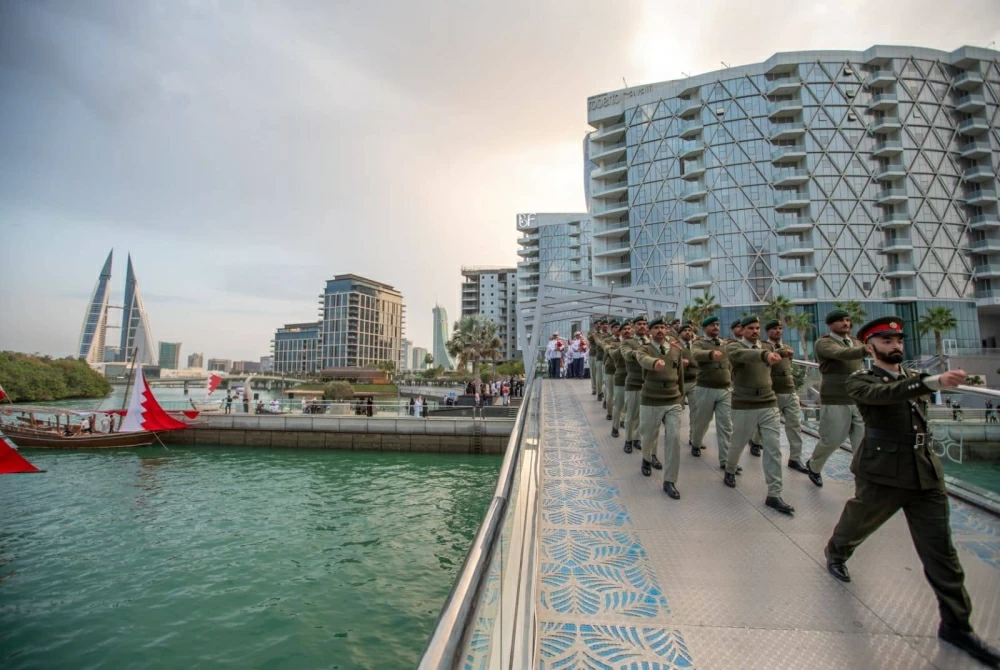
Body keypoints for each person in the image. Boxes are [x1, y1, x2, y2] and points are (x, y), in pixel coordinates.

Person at [825, 317, 999, 668]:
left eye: (898, 340)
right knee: (860, 521)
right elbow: (885, 395)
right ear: (870, 347)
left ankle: (956, 625)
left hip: (925, 471)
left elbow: (908, 393)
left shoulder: (910, 378)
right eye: (887, 341)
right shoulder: (860, 380)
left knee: (942, 553)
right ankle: (836, 551)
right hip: (883, 472)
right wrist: (933, 381)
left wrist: (927, 382)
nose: (895, 346)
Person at [723, 315, 795, 515]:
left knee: (773, 448)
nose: (755, 331)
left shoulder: (767, 347)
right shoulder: (733, 347)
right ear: (742, 330)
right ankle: (730, 469)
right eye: (751, 328)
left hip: (768, 402)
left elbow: (775, 353)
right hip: (744, 404)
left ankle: (774, 493)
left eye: (757, 328)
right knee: (737, 443)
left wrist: (783, 352)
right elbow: (747, 356)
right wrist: (765, 356)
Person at [806, 310, 868, 487]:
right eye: (841, 320)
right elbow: (842, 354)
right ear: (830, 324)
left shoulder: (856, 342)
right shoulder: (824, 343)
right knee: (832, 439)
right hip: (836, 399)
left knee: (863, 444)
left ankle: (863, 482)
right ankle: (814, 466)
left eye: (848, 320)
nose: (845, 323)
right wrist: (868, 348)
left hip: (858, 399)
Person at [636, 317, 685, 498]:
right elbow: (643, 359)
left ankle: (670, 481)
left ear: (666, 330)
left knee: (673, 438)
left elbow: (680, 375)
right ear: (650, 332)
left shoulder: (676, 350)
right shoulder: (644, 349)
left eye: (662, 327)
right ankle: (647, 458)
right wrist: (655, 363)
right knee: (648, 436)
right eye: (655, 327)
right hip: (651, 400)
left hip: (672, 400)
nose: (660, 330)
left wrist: (681, 397)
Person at [690, 316, 736, 473]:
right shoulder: (699, 343)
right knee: (702, 421)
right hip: (705, 388)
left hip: (725, 389)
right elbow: (695, 354)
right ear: (705, 329)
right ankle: (695, 443)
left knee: (725, 425)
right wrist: (710, 354)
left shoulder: (725, 344)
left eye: (717, 324)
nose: (716, 327)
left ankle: (726, 461)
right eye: (712, 325)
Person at [764, 319, 809, 475]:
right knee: (770, 426)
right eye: (774, 329)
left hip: (789, 390)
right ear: (768, 331)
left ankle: (795, 458)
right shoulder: (763, 347)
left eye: (780, 328)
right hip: (772, 391)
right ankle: (756, 442)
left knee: (795, 425)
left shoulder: (788, 348)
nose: (778, 331)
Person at [620, 315, 649, 454]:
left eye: (644, 324)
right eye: (639, 324)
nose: (642, 326)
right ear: (634, 327)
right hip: (634, 382)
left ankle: (637, 438)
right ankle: (628, 440)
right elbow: (627, 355)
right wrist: (643, 353)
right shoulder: (627, 342)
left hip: (649, 384)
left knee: (644, 416)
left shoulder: (652, 341)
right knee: (631, 415)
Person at [677, 322, 700, 451]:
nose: (688, 332)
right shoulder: (674, 346)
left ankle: (694, 439)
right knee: (676, 411)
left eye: (689, 330)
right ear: (679, 333)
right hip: (679, 382)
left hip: (694, 381)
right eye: (685, 330)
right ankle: (673, 436)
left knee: (696, 412)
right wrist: (680, 363)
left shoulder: (696, 345)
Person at [610, 320, 633, 438]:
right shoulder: (614, 343)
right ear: (620, 332)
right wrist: (624, 345)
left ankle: (631, 433)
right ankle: (615, 426)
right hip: (621, 377)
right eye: (624, 329)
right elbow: (614, 354)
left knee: (631, 407)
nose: (627, 331)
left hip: (634, 379)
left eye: (629, 329)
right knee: (618, 404)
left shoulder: (636, 343)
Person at [603, 321, 622, 421]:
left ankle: (622, 417)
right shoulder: (607, 340)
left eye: (620, 327)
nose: (618, 329)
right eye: (615, 327)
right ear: (611, 329)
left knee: (621, 395)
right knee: (611, 393)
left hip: (623, 371)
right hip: (611, 368)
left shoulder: (627, 340)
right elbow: (608, 351)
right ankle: (610, 413)